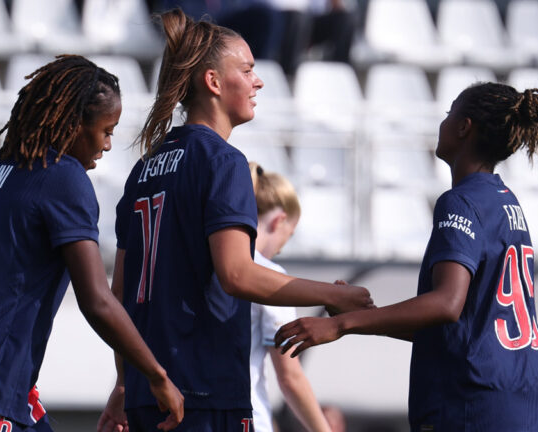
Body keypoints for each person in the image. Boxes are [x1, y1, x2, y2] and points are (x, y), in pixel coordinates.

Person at [98, 8, 373, 432]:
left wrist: (123, 385)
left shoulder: (143, 170)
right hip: (204, 396)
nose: (258, 80)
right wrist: (332, 297)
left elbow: (120, 296)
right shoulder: (223, 162)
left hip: (147, 396)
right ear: (213, 82)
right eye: (247, 69)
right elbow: (237, 274)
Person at [0, 55, 183, 432]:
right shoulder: (63, 177)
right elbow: (96, 299)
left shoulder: (1, 168)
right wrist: (156, 374)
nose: (108, 145)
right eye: (106, 130)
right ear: (75, 124)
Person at [275, 82, 538, 431]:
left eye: (450, 112)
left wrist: (339, 324)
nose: (444, 120)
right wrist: (367, 318)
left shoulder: (461, 202)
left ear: (464, 127)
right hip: (521, 396)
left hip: (472, 402)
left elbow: (446, 304)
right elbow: (464, 329)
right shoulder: (507, 202)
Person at [247, 162, 330, 432]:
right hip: (246, 419)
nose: (281, 249)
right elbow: (290, 376)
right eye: (287, 237)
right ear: (279, 220)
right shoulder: (269, 275)